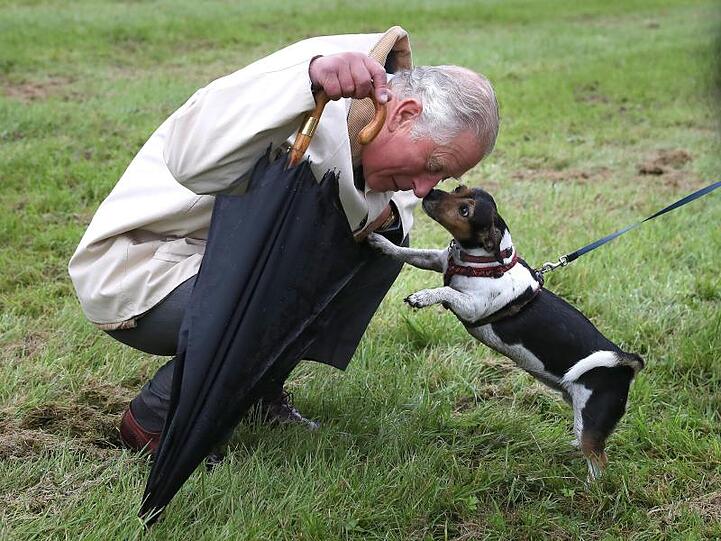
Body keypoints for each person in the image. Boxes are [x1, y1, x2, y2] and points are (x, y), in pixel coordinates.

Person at [68, 26, 500, 454]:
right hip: (143, 263)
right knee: (297, 278)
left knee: (379, 250)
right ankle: (154, 417)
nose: (426, 188)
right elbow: (190, 160)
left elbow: (380, 217)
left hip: (224, 261)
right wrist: (306, 81)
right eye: (432, 165)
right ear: (404, 115)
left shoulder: (384, 114)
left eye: (441, 177)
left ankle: (254, 389)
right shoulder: (317, 73)